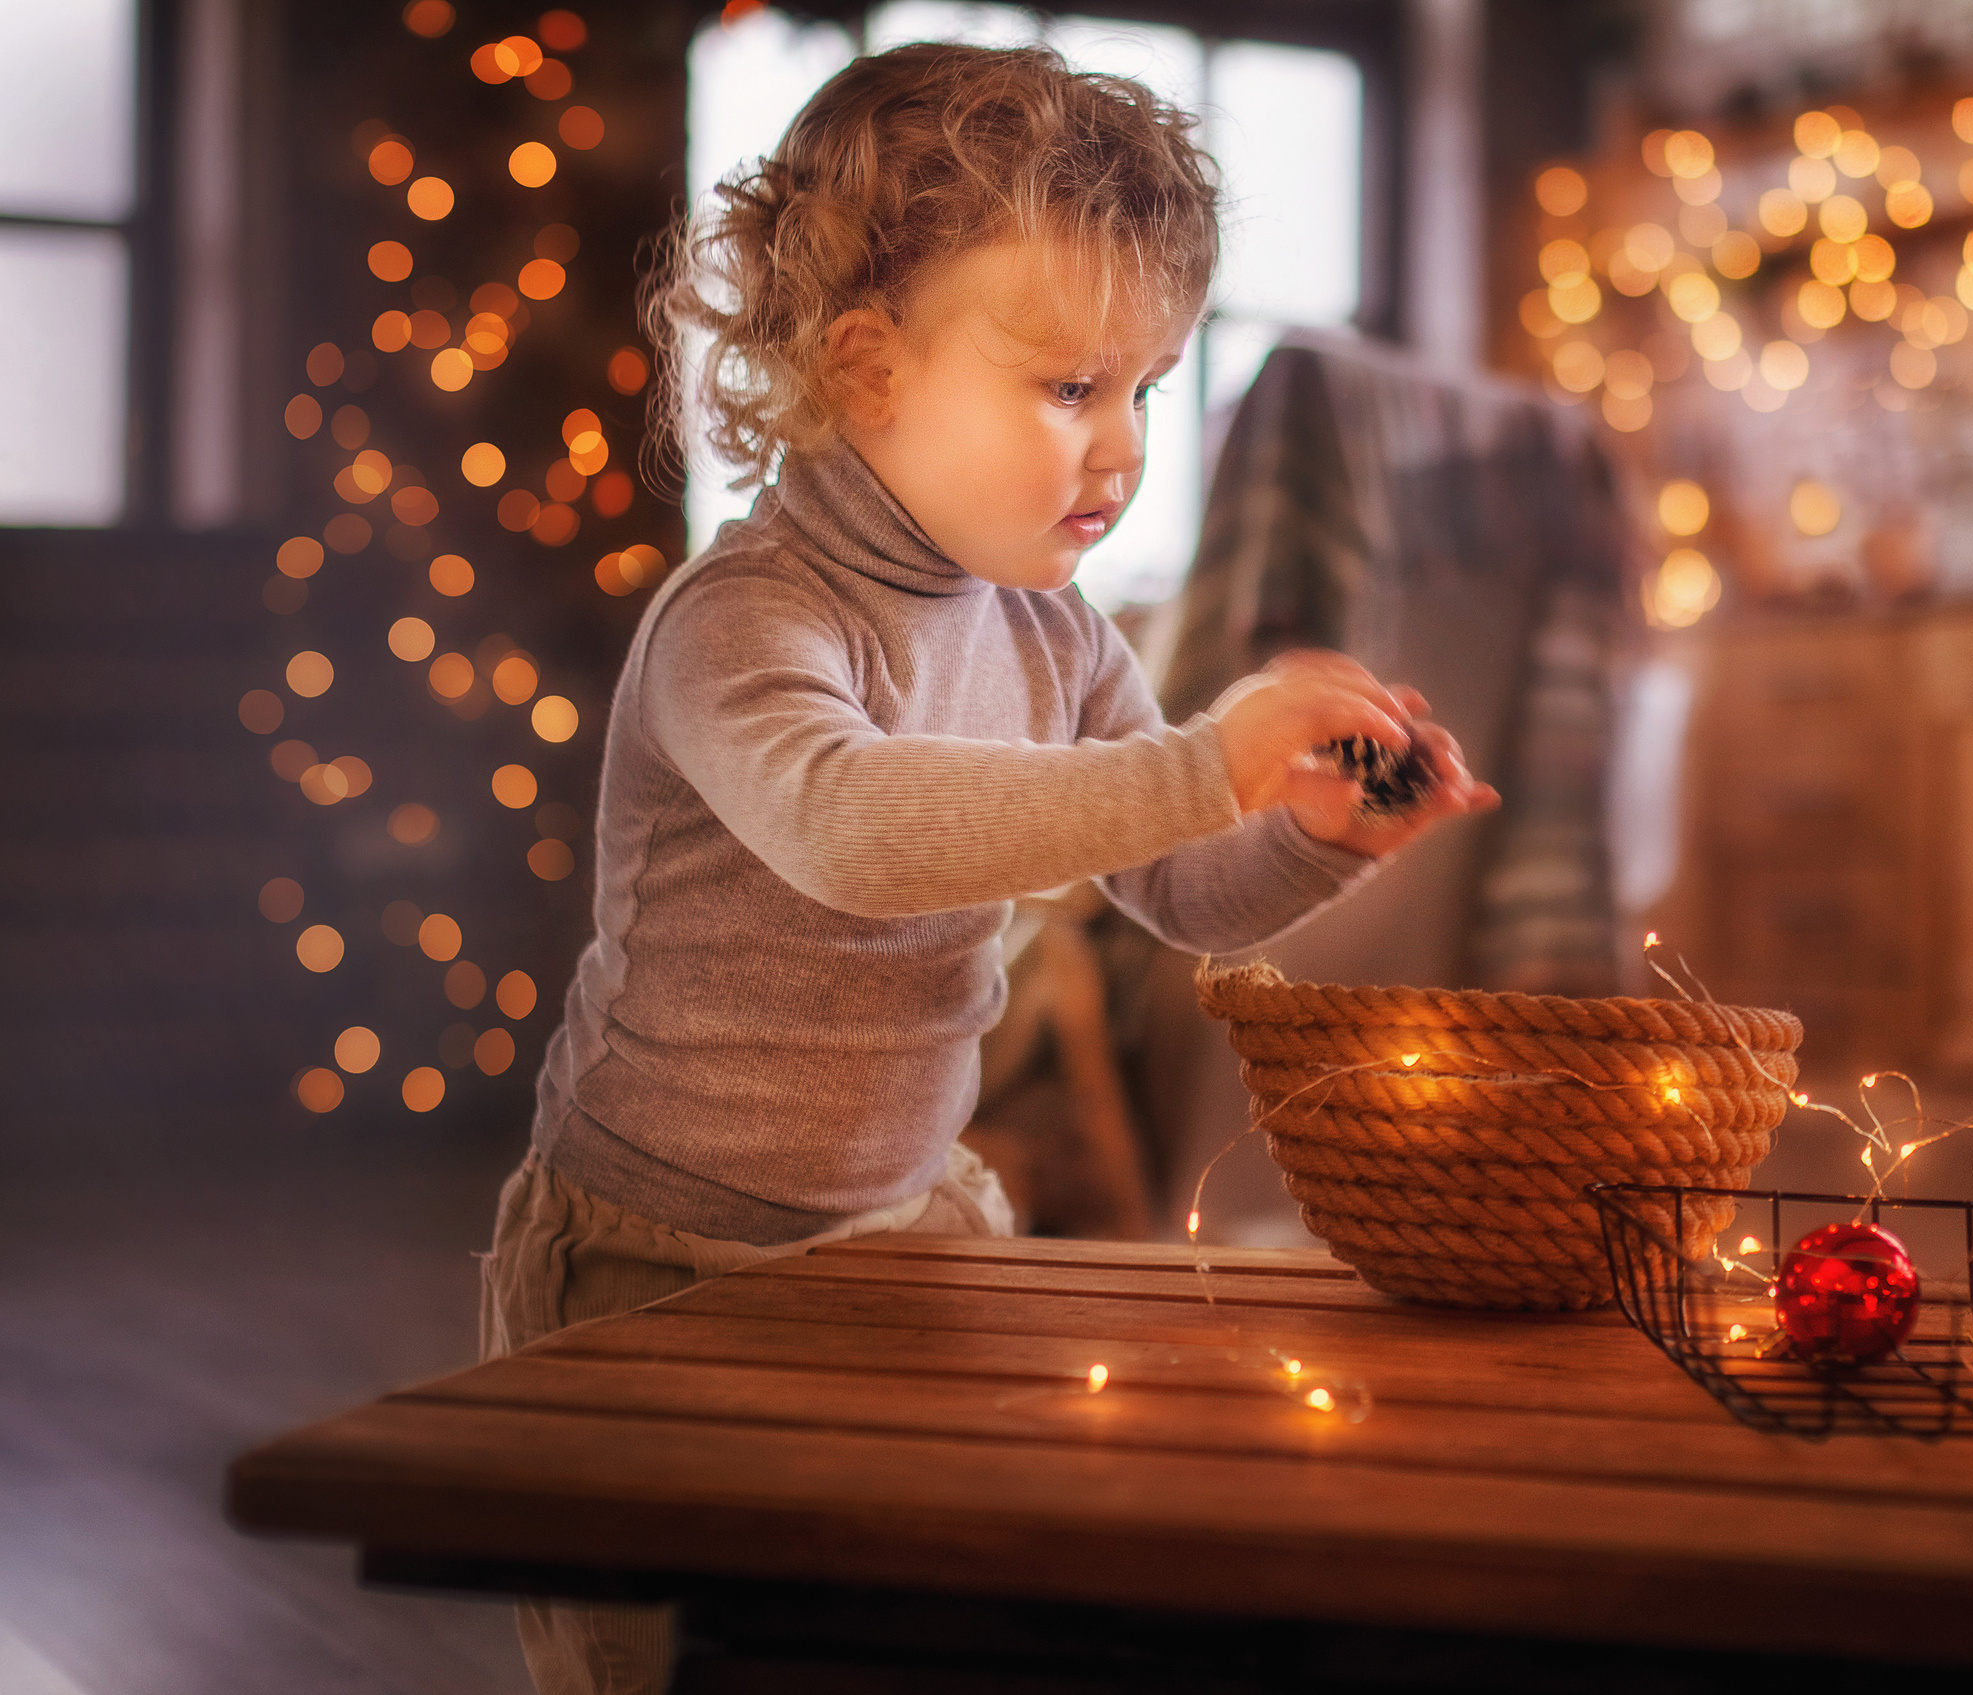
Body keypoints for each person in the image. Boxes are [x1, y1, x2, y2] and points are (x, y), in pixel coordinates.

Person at [477, 39, 1496, 1695]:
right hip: (653, 1263)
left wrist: (1305, 838)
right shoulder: (745, 621)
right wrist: (1200, 758)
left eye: (1147, 390)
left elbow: (1175, 888)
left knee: (910, 1621)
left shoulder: (1052, 629)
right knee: (665, 1660)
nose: (1122, 450)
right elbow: (851, 833)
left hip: (899, 1227)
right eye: (1068, 388)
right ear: (869, 368)